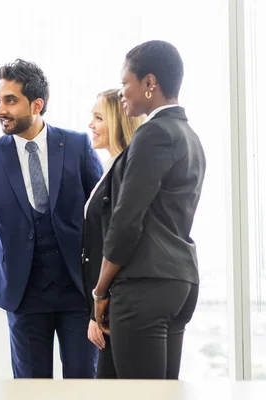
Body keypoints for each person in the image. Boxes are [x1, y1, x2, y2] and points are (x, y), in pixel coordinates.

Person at [0, 59, 104, 378]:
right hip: (24, 294)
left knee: (83, 384)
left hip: (78, 291)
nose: (1, 109)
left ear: (37, 104)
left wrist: (104, 286)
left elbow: (103, 214)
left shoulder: (77, 145)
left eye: (10, 100)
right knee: (29, 389)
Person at [92, 40, 207, 379]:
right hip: (180, 282)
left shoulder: (152, 133)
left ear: (149, 83)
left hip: (144, 284)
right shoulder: (189, 136)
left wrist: (100, 291)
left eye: (125, 82)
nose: (122, 91)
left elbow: (126, 221)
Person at [82, 88, 144, 378]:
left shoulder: (125, 172)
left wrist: (99, 309)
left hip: (117, 305)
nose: (91, 125)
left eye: (98, 118)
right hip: (107, 307)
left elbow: (116, 242)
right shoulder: (110, 167)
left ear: (118, 121)